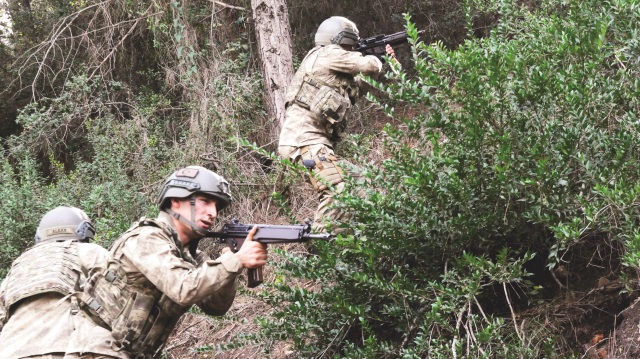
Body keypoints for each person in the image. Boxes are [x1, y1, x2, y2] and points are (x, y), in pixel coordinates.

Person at [78, 165, 268, 358]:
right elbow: (183, 288)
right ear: (175, 200)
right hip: (97, 350)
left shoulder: (189, 255)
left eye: (217, 206)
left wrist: (233, 265)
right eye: (205, 201)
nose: (213, 213)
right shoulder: (146, 238)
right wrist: (234, 260)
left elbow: (215, 307)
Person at [278, 16, 395, 233]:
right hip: (304, 141)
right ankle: (320, 248)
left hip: (314, 144)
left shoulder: (335, 74)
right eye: (350, 45)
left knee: (361, 183)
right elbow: (367, 64)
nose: (351, 50)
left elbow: (360, 86)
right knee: (337, 189)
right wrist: (376, 59)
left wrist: (382, 62)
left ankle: (344, 241)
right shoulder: (326, 53)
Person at [0, 206, 127, 359]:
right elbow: (121, 296)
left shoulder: (20, 265)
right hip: (68, 347)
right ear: (83, 230)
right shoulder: (91, 251)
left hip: (11, 351)